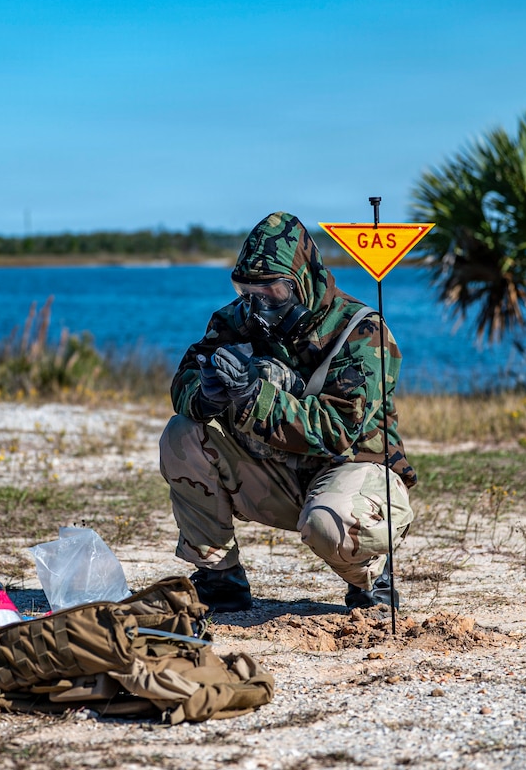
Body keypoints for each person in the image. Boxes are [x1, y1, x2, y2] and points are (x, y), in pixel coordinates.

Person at [159, 211, 416, 613]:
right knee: (182, 433)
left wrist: (250, 396)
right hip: (276, 474)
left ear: (302, 283)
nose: (258, 305)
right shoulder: (239, 318)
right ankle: (218, 577)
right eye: (247, 291)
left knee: (328, 524)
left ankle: (371, 575)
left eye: (272, 292)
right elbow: (185, 380)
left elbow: (337, 429)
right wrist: (205, 394)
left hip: (351, 472)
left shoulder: (361, 331)